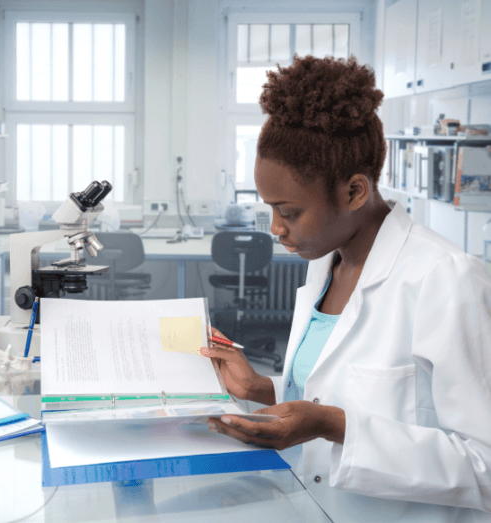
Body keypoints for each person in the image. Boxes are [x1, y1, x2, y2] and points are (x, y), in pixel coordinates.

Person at [202, 55, 491, 523]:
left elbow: (484, 468)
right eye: (270, 208)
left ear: (354, 192)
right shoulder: (325, 264)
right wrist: (262, 389)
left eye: (290, 212)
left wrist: (333, 426)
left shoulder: (446, 278)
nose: (275, 228)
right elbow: (333, 392)